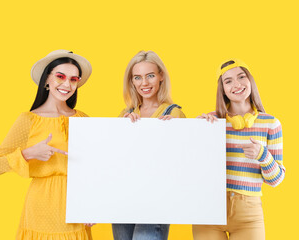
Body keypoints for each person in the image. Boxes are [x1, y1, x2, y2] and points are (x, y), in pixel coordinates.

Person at [0, 50, 94, 240]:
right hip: (41, 206)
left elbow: (95, 166)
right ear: (46, 80)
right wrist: (28, 153)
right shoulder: (29, 120)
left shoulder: (83, 118)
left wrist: (93, 204)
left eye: (74, 79)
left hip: (77, 205)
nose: (67, 84)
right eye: (60, 76)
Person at [193, 59, 285, 240]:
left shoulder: (271, 123)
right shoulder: (211, 121)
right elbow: (190, 164)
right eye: (228, 81)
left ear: (250, 80)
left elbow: (276, 180)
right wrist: (196, 132)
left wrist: (262, 155)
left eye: (241, 77)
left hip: (248, 215)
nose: (236, 84)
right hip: (208, 209)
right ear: (223, 90)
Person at [112, 50, 186, 240]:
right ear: (132, 81)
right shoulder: (125, 113)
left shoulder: (174, 114)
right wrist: (122, 128)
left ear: (161, 76)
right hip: (124, 198)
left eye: (150, 76)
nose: (144, 83)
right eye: (137, 77)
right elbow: (114, 158)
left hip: (155, 200)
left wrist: (173, 133)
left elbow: (182, 162)